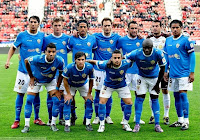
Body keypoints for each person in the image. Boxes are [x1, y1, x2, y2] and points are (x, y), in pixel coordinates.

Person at [5, 15, 45, 129]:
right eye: (31, 22)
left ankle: (36, 118)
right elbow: (13, 48)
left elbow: (48, 48)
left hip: (36, 72)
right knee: (20, 93)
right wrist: (8, 61)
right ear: (29, 23)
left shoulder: (42, 36)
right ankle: (17, 120)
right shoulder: (22, 35)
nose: (33, 24)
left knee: (36, 94)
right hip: (23, 71)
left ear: (38, 24)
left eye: (35, 22)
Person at [21, 43, 64, 133]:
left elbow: (61, 74)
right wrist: (31, 77)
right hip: (37, 80)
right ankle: (26, 125)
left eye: (53, 52)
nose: (51, 54)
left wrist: (57, 88)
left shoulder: (60, 60)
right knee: (29, 99)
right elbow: (26, 61)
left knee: (56, 100)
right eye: (49, 52)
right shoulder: (38, 58)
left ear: (56, 52)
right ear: (45, 52)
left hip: (50, 81)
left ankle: (53, 124)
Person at [125, 39, 166, 133]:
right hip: (141, 77)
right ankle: (137, 124)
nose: (147, 50)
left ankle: (157, 125)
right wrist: (128, 64)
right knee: (139, 99)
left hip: (154, 77)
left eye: (149, 48)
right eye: (145, 48)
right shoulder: (136, 53)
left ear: (152, 47)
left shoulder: (158, 53)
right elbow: (126, 58)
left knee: (155, 99)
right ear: (142, 47)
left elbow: (163, 68)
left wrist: (157, 84)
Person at [88, 50, 133, 133]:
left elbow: (133, 60)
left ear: (121, 58)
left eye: (118, 58)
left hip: (122, 86)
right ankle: (102, 124)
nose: (116, 60)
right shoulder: (106, 64)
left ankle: (125, 124)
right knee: (101, 102)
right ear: (111, 58)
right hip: (108, 85)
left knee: (129, 103)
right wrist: (85, 61)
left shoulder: (126, 63)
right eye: (115, 58)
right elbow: (95, 62)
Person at [164, 20, 195, 130]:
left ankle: (186, 121)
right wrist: (165, 71)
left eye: (177, 27)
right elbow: (166, 58)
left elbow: (192, 56)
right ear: (170, 28)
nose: (175, 29)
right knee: (176, 96)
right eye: (173, 27)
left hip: (184, 73)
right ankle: (180, 119)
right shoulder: (168, 40)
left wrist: (192, 72)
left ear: (181, 28)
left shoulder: (186, 40)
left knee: (182, 95)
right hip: (173, 74)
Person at [68, 19, 97, 125]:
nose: (83, 29)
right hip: (73, 73)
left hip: (86, 73)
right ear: (77, 28)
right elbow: (66, 48)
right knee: (71, 98)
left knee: (88, 99)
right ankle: (73, 115)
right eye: (80, 27)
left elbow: (95, 51)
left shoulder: (92, 39)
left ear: (87, 28)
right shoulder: (72, 39)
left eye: (85, 27)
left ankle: (86, 118)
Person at [92, 18, 121, 124]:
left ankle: (107, 116)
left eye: (109, 25)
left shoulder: (117, 37)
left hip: (111, 70)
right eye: (105, 25)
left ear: (112, 26)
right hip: (99, 70)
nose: (107, 27)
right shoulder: (96, 37)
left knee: (109, 92)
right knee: (98, 92)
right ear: (102, 26)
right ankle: (97, 116)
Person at [43, 17, 70, 126]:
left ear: (62, 26)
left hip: (63, 73)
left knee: (63, 95)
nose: (57, 27)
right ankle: (50, 118)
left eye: (59, 25)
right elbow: (42, 52)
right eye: (55, 25)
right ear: (52, 26)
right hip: (50, 73)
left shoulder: (67, 38)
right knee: (51, 95)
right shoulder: (47, 39)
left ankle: (62, 118)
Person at [117, 21, 145, 125]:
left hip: (138, 71)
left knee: (139, 94)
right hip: (125, 72)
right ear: (127, 29)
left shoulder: (142, 40)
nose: (134, 30)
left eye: (136, 28)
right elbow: (115, 51)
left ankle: (137, 117)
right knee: (124, 94)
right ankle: (124, 117)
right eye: (132, 28)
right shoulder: (122, 40)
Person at [62, 52, 94, 132]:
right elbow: (65, 80)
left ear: (85, 60)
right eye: (78, 59)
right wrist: (68, 94)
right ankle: (67, 124)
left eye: (82, 59)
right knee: (67, 101)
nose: (80, 61)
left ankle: (87, 123)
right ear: (75, 60)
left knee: (89, 101)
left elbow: (91, 80)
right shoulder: (69, 67)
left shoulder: (89, 67)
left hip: (83, 84)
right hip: (71, 84)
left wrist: (89, 93)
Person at [147, 20, 171, 125]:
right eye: (153, 26)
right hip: (152, 70)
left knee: (165, 91)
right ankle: (153, 114)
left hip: (164, 69)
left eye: (157, 26)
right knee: (152, 92)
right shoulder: (148, 39)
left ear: (161, 27)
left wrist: (167, 69)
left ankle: (166, 115)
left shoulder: (166, 38)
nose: (155, 28)